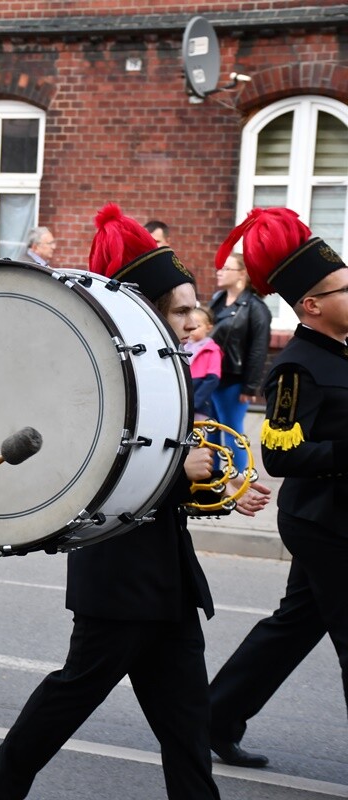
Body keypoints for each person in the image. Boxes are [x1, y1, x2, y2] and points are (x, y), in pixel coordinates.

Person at [0, 204, 268, 800]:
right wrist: (182, 474)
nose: (191, 322)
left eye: (191, 309)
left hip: (166, 578)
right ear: (143, 312)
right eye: (179, 311)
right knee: (74, 694)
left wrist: (227, 483)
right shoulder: (95, 379)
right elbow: (101, 473)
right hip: (120, 573)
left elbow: (175, 459)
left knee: (185, 724)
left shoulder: (164, 373)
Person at [207, 208, 348, 769]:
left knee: (293, 627)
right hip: (322, 521)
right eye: (344, 288)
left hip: (338, 516)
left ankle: (213, 717)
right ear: (311, 305)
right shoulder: (297, 368)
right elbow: (280, 453)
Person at [208, 251, 271, 473]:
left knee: (232, 430)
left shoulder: (255, 308)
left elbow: (258, 350)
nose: (220, 272)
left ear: (242, 274)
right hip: (211, 376)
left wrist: (250, 386)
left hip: (234, 380)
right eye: (221, 268)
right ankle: (212, 475)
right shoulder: (217, 300)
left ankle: (240, 477)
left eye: (226, 268)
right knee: (211, 430)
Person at [186, 307, 222, 421]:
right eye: (190, 324)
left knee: (197, 434)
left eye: (197, 326)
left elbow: (213, 379)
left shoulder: (212, 350)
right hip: (184, 402)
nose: (192, 329)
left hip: (199, 405)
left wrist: (195, 402)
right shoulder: (183, 346)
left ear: (208, 328)